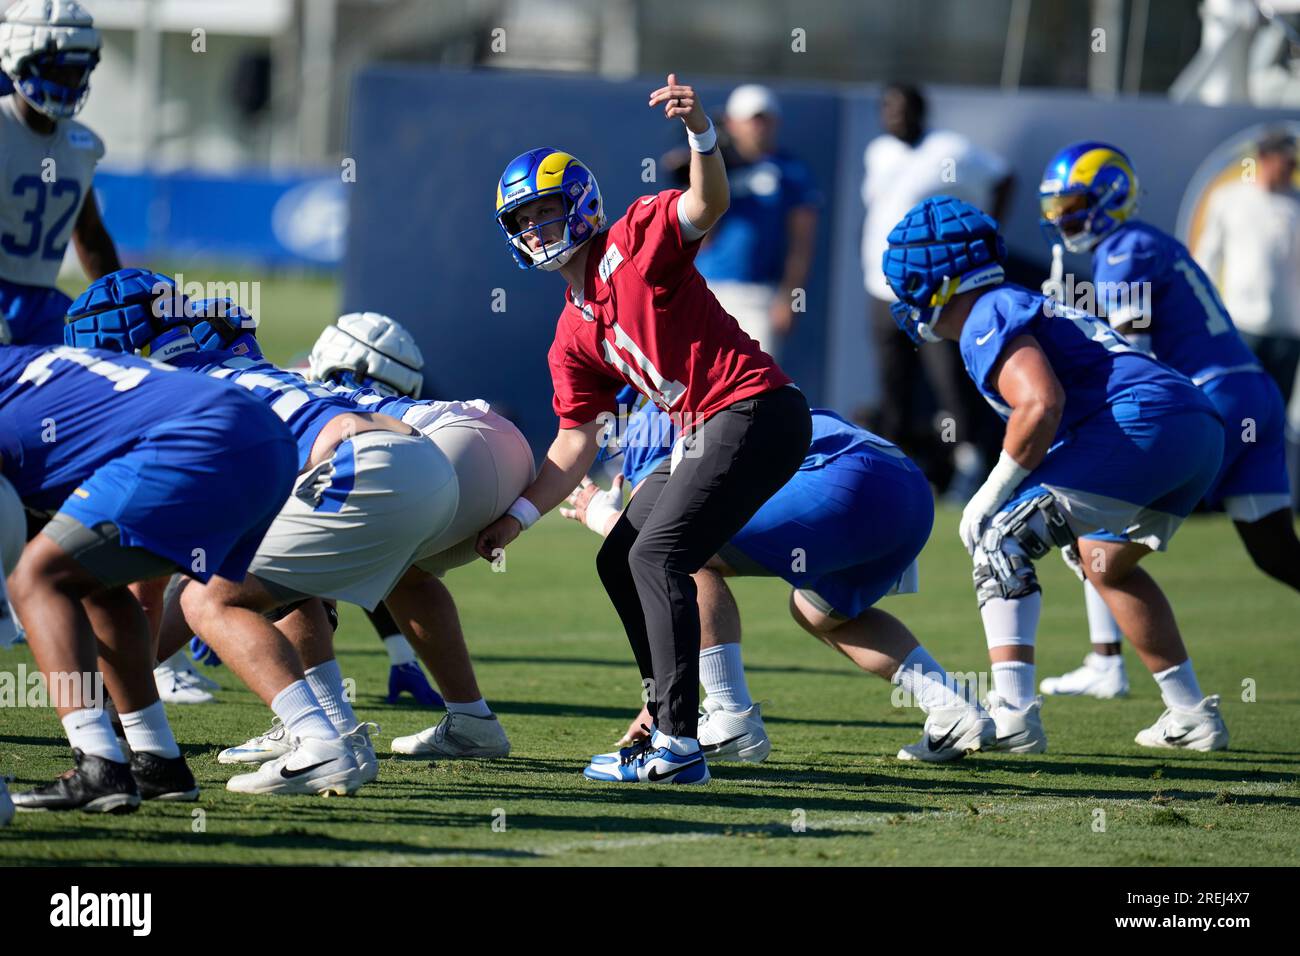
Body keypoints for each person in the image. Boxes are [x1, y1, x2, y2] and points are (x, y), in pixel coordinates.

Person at [480, 73, 812, 785]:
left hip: (755, 409)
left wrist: (701, 134)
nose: (535, 230)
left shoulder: (633, 239)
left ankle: (680, 743)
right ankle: (663, 713)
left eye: (543, 213)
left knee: (655, 558)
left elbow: (707, 201)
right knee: (621, 553)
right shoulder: (571, 332)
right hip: (712, 426)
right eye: (522, 222)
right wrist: (516, 519)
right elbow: (575, 443)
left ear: (579, 207)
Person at [63, 271, 462, 796]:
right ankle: (339, 728)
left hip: (358, 463)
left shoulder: (166, 401)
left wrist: (116, 694)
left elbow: (147, 592)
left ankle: (319, 743)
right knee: (276, 582)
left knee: (210, 603)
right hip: (422, 462)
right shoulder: (228, 360)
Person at [883, 195, 1228, 753]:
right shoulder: (1011, 302)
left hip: (1142, 422)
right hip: (1194, 426)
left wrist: (989, 494)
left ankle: (1015, 715)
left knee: (999, 539)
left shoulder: (985, 313)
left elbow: (1041, 404)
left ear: (937, 279)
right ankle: (1191, 713)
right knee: (1106, 564)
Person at [564, 396, 994, 764]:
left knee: (680, 552)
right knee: (820, 612)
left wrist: (601, 515)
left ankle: (732, 716)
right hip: (906, 488)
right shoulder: (739, 402)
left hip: (844, 482)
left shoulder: (670, 436)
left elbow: (659, 546)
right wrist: (659, 703)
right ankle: (952, 706)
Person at [1037, 141, 1300, 698]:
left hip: (1211, 397)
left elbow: (1131, 358)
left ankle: (1116, 667)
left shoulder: (1125, 249)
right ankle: (1104, 661)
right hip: (1251, 389)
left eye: (1073, 203)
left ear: (1110, 196)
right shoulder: (1145, 243)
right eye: (1056, 207)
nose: (1064, 217)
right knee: (1276, 550)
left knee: (1094, 527)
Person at [1, 342, 298, 812]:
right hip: (267, 438)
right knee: (94, 580)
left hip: (198, 438)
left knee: (37, 577)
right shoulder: (35, 365)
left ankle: (97, 763)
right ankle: (158, 760)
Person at [861, 83, 1013, 497]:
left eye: (902, 108)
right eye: (887, 107)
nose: (894, 116)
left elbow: (1003, 178)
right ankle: (896, 475)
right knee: (893, 387)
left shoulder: (951, 150)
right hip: (880, 290)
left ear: (921, 112)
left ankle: (970, 466)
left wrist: (983, 242)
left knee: (951, 382)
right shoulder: (878, 152)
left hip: (933, 294)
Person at [0, 0, 119, 346]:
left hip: (43, 306)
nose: (68, 81)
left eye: (76, 71)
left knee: (113, 366)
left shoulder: (79, 143)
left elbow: (91, 236)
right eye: (57, 69)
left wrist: (124, 301)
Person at [1194, 130, 1300, 507]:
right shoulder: (1230, 200)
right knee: (1238, 413)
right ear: (1264, 158)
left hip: (1288, 331)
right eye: (1283, 160)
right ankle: (1217, 492)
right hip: (1241, 327)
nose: (1288, 168)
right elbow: (1208, 259)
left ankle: (1263, 493)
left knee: (1273, 414)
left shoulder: (1296, 204)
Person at [689, 84, 820, 361]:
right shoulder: (713, 167)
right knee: (699, 375)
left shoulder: (791, 171)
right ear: (732, 123)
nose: (758, 128)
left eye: (765, 119)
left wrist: (790, 298)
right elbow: (700, 237)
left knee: (758, 384)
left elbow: (802, 242)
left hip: (760, 295)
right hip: (708, 287)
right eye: (751, 120)